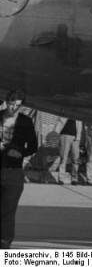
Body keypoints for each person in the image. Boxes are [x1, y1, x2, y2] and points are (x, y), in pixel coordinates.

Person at [0, 90, 38, 248]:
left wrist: (20, 152)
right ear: (6, 102)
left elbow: (33, 146)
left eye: (18, 105)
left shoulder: (25, 121)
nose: (14, 108)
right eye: (12, 104)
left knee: (8, 213)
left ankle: (4, 246)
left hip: (13, 172)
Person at [51, 117, 82, 185]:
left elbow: (80, 127)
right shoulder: (65, 110)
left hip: (76, 138)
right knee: (63, 158)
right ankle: (61, 178)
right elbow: (59, 122)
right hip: (64, 135)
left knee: (75, 159)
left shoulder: (78, 113)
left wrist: (80, 138)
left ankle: (74, 178)